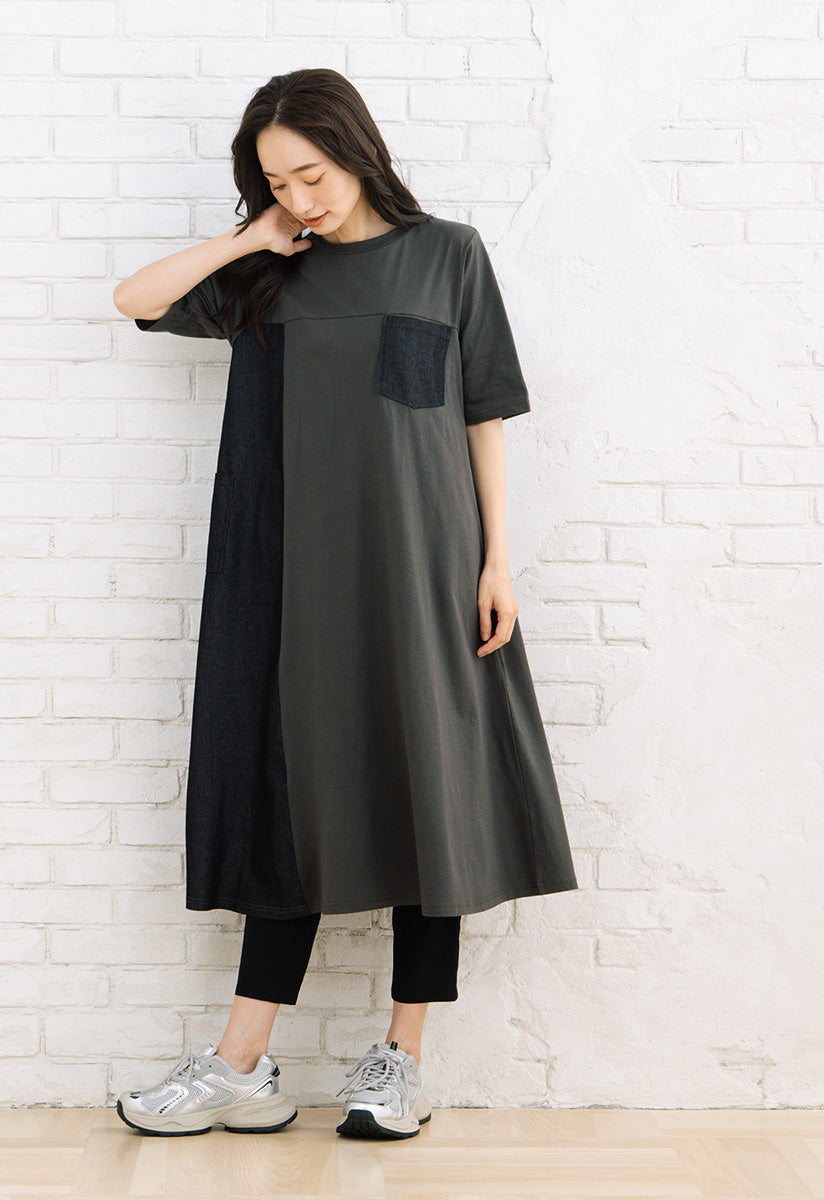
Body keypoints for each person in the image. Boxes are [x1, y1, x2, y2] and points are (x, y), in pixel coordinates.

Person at [111, 68, 579, 1142]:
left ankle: (401, 1058)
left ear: (357, 151)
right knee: (293, 794)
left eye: (311, 174)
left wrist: (498, 560)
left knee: (430, 789)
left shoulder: (447, 255)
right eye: (276, 182)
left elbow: (483, 411)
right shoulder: (269, 272)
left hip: (423, 569)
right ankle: (241, 1064)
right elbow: (136, 298)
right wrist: (251, 238)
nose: (300, 198)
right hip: (288, 578)